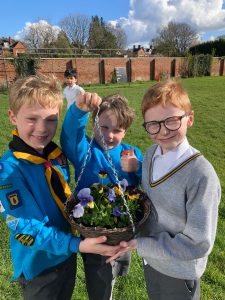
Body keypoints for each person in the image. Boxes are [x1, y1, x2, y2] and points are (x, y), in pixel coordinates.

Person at [0, 75, 124, 300]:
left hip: (66, 256)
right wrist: (77, 245)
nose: (42, 128)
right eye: (32, 119)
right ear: (12, 117)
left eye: (51, 119)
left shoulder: (55, 155)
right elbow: (26, 228)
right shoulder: (9, 171)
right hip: (39, 266)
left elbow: (72, 140)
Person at [107, 80, 221, 300]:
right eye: (153, 124)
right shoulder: (150, 154)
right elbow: (156, 186)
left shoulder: (201, 176)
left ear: (190, 119)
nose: (163, 131)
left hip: (179, 271)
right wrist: (138, 168)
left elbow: (198, 243)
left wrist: (141, 244)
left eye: (171, 121)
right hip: (152, 261)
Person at [60, 93, 143, 300]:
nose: (110, 136)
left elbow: (151, 179)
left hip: (124, 230)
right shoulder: (85, 150)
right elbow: (70, 136)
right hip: (94, 231)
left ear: (125, 131)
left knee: (120, 263)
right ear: (94, 123)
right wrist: (79, 111)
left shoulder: (130, 153)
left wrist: (138, 167)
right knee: (100, 278)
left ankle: (116, 275)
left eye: (117, 130)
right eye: (104, 127)